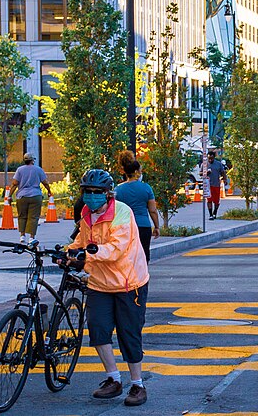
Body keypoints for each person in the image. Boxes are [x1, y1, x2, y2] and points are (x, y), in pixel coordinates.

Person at [65, 169, 150, 407]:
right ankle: (113, 379)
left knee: (129, 334)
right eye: (87, 192)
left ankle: (138, 384)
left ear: (108, 193)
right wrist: (68, 253)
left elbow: (115, 250)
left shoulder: (122, 212)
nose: (91, 196)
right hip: (99, 283)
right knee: (98, 330)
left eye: (97, 192)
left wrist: (85, 256)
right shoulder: (86, 213)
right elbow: (82, 241)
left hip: (128, 283)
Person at [114, 150, 160, 262]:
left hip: (125, 226)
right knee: (143, 256)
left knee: (127, 256)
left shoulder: (118, 190)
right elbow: (152, 210)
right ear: (136, 172)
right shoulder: (146, 188)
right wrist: (157, 227)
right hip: (143, 226)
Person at [8, 153, 52, 244]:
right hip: (35, 196)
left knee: (22, 216)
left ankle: (22, 236)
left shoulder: (20, 170)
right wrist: (49, 191)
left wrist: (9, 196)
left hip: (22, 196)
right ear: (32, 160)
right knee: (33, 217)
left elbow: (15, 183)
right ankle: (32, 237)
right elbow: (45, 182)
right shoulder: (38, 169)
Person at [201, 150, 227, 220]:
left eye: (211, 158)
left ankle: (215, 212)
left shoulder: (218, 164)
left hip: (216, 185)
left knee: (216, 201)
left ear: (214, 157)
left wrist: (225, 179)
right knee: (209, 200)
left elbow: (223, 172)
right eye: (209, 158)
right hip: (208, 185)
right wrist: (206, 173)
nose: (210, 160)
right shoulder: (204, 164)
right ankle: (210, 215)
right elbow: (200, 173)